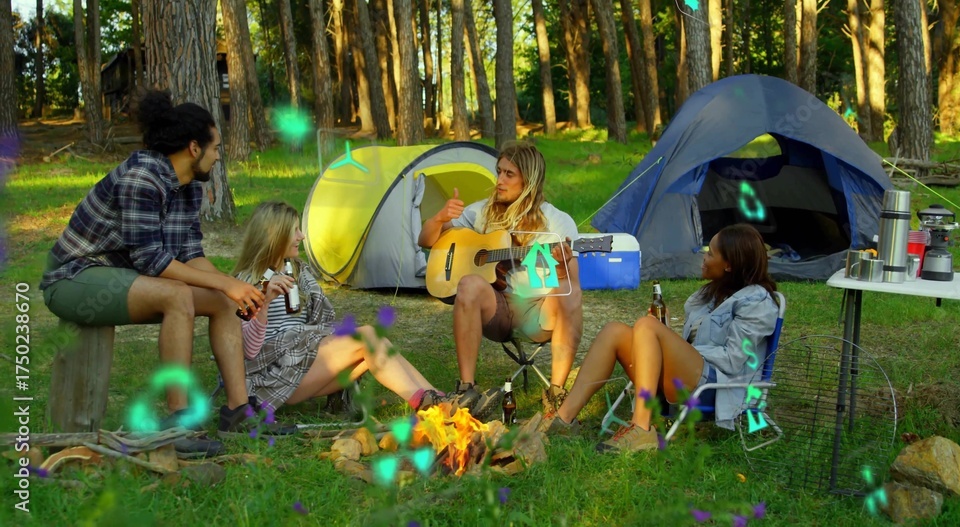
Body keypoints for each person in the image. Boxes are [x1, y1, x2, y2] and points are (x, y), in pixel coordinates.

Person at [39, 90, 290, 455]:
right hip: (73, 278)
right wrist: (225, 282)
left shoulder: (188, 188)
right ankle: (179, 422)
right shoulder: (143, 177)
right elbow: (150, 260)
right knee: (178, 295)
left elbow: (191, 256)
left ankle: (238, 412)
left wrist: (234, 288)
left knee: (221, 301)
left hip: (121, 279)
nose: (219, 156)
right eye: (216, 147)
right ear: (193, 148)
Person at [543, 224, 779, 453]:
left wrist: (666, 342)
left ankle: (641, 428)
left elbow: (734, 359)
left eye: (712, 253)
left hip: (716, 388)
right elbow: (690, 352)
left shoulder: (756, 302)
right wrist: (664, 338)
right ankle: (563, 420)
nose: (704, 256)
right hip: (690, 378)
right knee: (614, 330)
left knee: (648, 326)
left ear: (729, 265)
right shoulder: (710, 295)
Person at [418, 141, 583, 420]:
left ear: (528, 181)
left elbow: (573, 284)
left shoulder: (557, 222)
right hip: (497, 309)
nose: (500, 181)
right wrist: (438, 220)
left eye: (509, 174)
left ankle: (557, 395)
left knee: (567, 290)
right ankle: (466, 390)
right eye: (499, 171)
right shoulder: (483, 211)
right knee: (469, 284)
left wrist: (563, 265)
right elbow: (427, 241)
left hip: (537, 310)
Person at [234, 201, 447, 414]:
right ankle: (427, 404)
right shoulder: (245, 284)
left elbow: (321, 320)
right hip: (275, 376)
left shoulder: (298, 273)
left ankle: (439, 400)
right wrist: (265, 302)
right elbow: (249, 351)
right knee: (368, 337)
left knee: (375, 344)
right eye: (295, 231)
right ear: (275, 234)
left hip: (305, 361)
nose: (301, 236)